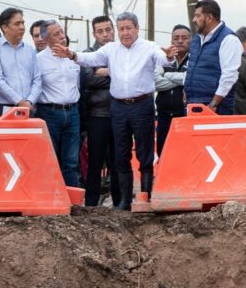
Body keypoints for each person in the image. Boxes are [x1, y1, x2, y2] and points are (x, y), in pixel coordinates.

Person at [53, 11, 177, 210]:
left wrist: (169, 57)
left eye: (129, 28)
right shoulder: (111, 49)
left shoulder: (149, 47)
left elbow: (163, 58)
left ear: (137, 28)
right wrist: (72, 55)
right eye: (122, 29)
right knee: (121, 155)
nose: (125, 33)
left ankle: (146, 197)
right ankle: (124, 201)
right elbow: (89, 58)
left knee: (144, 155)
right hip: (118, 107)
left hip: (142, 106)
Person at [80, 16, 121, 208]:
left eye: (108, 30)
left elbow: (131, 77)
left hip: (120, 114)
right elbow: (89, 79)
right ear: (94, 33)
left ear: (113, 30)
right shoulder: (88, 54)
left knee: (118, 162)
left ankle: (120, 202)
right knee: (95, 162)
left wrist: (105, 71)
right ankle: (91, 203)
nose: (105, 34)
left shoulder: (123, 51)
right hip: (97, 115)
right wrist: (118, 73)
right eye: (100, 31)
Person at [35, 20, 80, 186]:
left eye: (62, 32)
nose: (62, 37)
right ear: (46, 40)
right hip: (50, 113)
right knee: (50, 159)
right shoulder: (38, 60)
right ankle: (51, 198)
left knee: (71, 161)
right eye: (56, 34)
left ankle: (73, 198)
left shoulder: (73, 57)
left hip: (73, 113)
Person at [0, 8, 40, 118]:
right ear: (5, 27)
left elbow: (37, 79)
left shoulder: (29, 49)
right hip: (3, 107)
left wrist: (30, 101)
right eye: (17, 24)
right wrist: (19, 101)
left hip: (28, 107)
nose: (22, 27)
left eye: (23, 23)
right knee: (6, 136)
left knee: (26, 136)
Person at [185, 0, 240, 114]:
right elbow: (191, 68)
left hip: (215, 108)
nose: (193, 20)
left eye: (197, 16)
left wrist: (213, 104)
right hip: (194, 105)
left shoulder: (228, 39)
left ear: (209, 18)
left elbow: (229, 75)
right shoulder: (196, 39)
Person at [153, 24, 191, 154]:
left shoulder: (195, 60)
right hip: (163, 117)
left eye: (184, 37)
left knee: (184, 154)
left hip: (185, 117)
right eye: (176, 38)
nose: (180, 41)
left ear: (190, 40)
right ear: (171, 41)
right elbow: (155, 83)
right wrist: (182, 80)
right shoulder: (163, 60)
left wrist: (167, 75)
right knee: (163, 153)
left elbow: (192, 79)